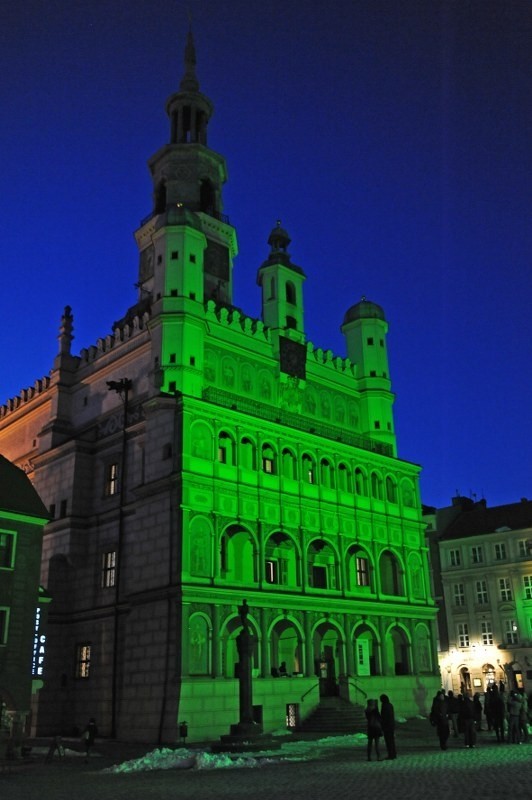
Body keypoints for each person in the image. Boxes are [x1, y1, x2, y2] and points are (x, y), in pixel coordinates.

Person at [379, 694, 397, 759]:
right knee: (392, 741)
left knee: (388, 741)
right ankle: (393, 754)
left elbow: (384, 717)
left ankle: (391, 754)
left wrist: (382, 724)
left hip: (387, 726)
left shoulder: (384, 706)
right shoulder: (390, 705)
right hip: (391, 725)